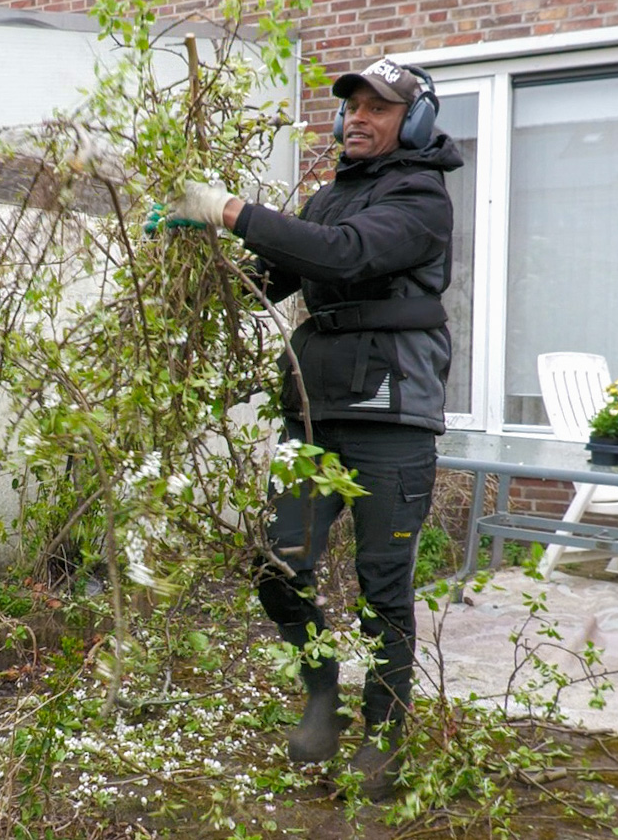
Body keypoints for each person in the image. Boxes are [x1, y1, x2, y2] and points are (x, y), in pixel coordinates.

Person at [160, 57, 461, 800]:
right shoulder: (328, 200)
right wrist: (197, 262)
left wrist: (232, 209)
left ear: (414, 123)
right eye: (351, 105)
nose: (358, 116)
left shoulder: (422, 198)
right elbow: (277, 274)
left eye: (379, 108)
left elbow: (347, 256)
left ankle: (383, 734)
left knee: (382, 590)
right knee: (276, 564)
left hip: (392, 416)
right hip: (313, 413)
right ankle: (320, 689)